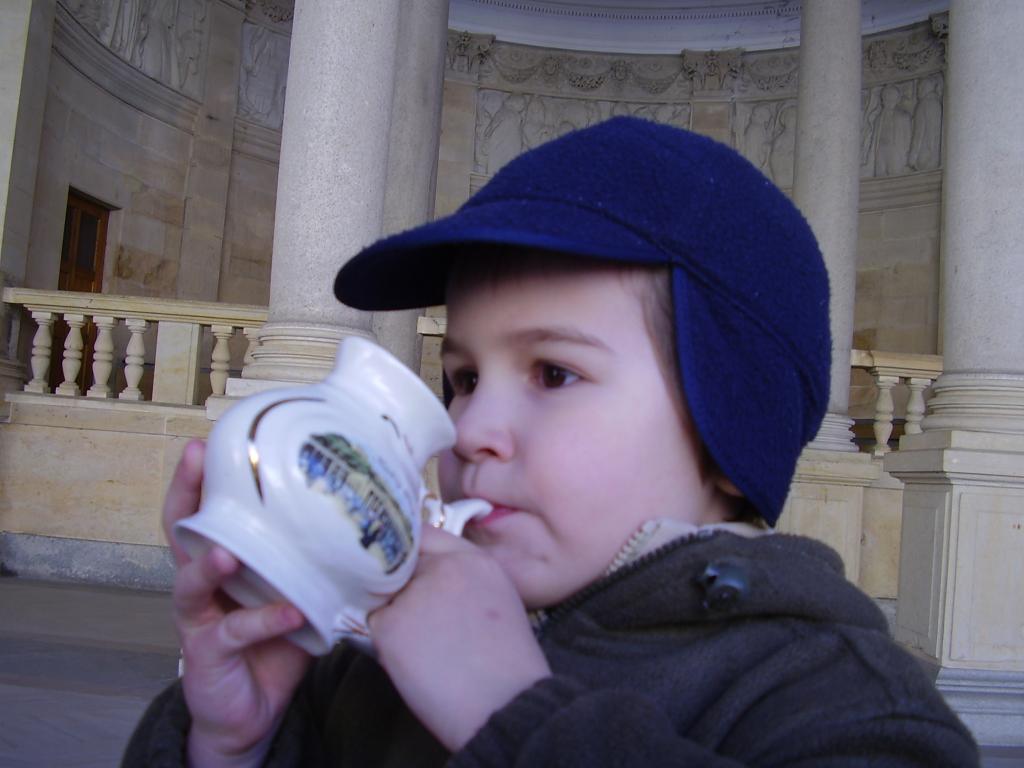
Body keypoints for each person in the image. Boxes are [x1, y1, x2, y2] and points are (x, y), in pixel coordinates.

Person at [124, 116, 979, 767]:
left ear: (729, 432)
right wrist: (235, 744)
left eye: (554, 374)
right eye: (463, 377)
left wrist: (510, 713)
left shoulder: (842, 702)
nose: (468, 430)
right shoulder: (365, 662)